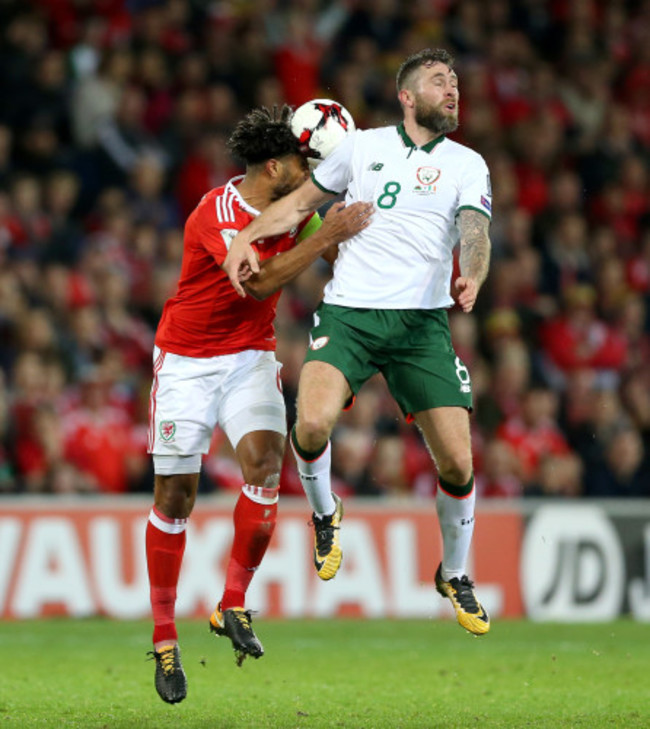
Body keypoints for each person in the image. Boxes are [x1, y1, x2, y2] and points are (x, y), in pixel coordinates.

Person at [223, 49, 492, 636]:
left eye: (455, 81)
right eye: (439, 81)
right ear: (406, 95)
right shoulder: (361, 147)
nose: (452, 89)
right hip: (350, 315)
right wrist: (246, 235)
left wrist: (474, 270)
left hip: (422, 325)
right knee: (311, 423)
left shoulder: (468, 163)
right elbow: (298, 204)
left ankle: (455, 573)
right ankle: (326, 514)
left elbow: (475, 230)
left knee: (458, 463)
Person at [145, 105, 372, 705]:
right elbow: (261, 282)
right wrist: (326, 235)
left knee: (266, 467)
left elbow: (340, 252)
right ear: (276, 166)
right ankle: (165, 637)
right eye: (304, 164)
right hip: (187, 362)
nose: (312, 174)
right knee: (175, 497)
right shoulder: (217, 213)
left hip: (249, 354)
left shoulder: (298, 207)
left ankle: (232, 604)